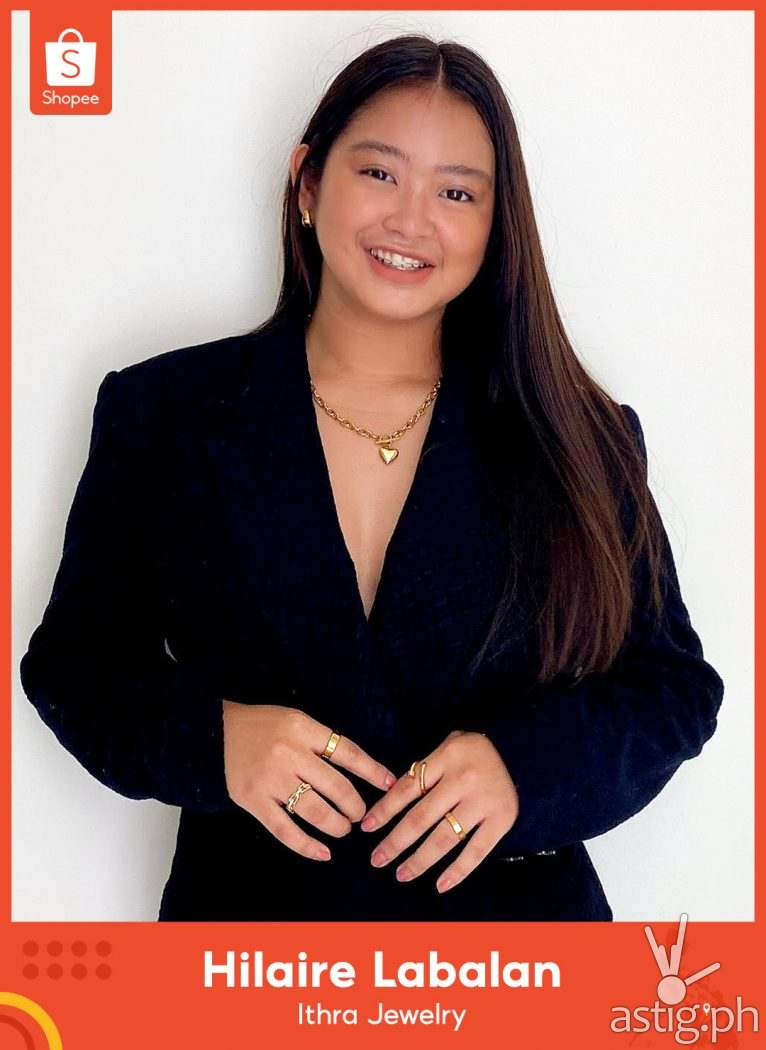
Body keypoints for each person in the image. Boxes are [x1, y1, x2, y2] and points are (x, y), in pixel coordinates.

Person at [19, 34, 725, 921]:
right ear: (308, 183)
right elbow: (74, 668)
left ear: (496, 225)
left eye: (457, 192)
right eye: (380, 173)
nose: (412, 221)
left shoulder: (577, 434)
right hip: (246, 957)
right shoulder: (164, 412)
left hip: (517, 963)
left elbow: (672, 688)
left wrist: (526, 771)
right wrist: (218, 741)